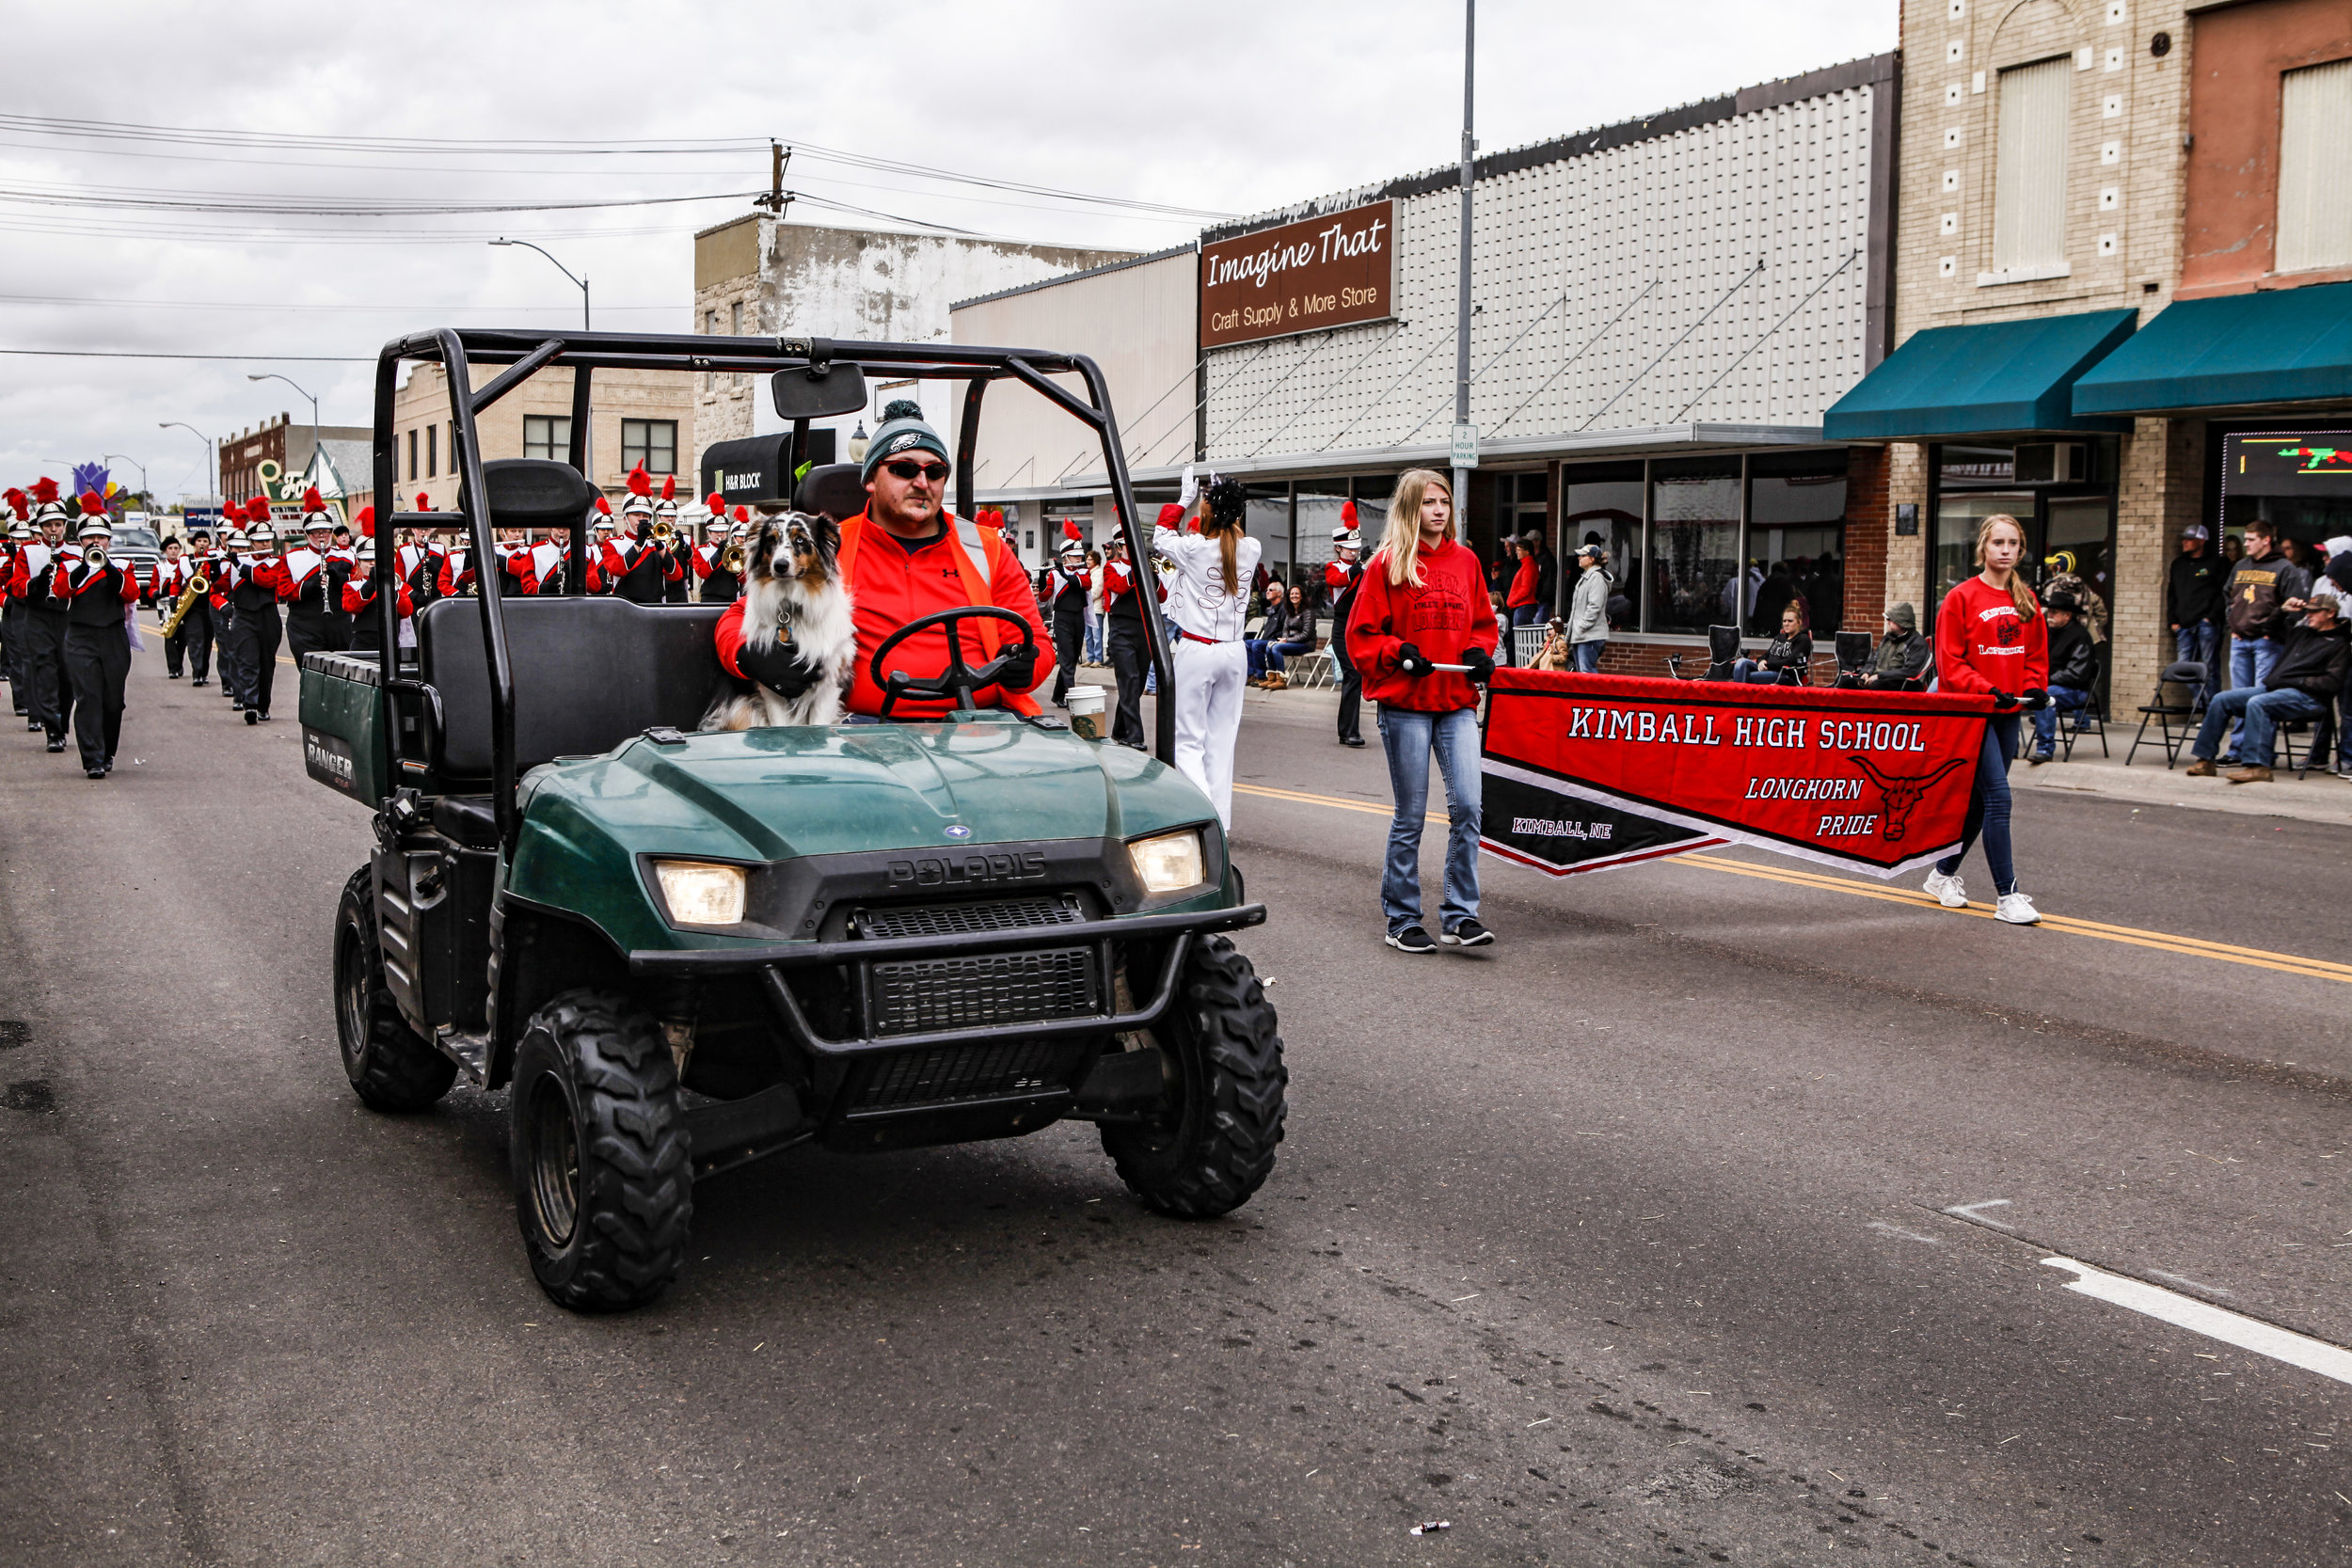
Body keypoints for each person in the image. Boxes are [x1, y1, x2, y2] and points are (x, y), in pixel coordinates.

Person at [712, 398, 1043, 721]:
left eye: (936, 471)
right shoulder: (831, 548)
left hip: (981, 722)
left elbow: (1036, 641)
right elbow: (740, 616)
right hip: (867, 730)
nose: (922, 482)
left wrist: (1027, 665)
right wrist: (748, 657)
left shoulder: (986, 549)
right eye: (904, 469)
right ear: (870, 479)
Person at [1345, 467, 1499, 955]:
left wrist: (1478, 651)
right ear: (1411, 508)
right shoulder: (1387, 564)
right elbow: (1360, 636)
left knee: (1470, 808)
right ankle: (1402, 919)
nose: (1439, 510)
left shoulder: (1466, 561)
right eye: (1430, 502)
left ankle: (1460, 916)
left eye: (1445, 502)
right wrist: (1398, 651)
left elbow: (1482, 624)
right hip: (1406, 704)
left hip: (1455, 703)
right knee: (1411, 815)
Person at [1923, 513, 2046, 925]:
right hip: (1972, 714)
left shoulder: (2026, 599)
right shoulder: (1960, 598)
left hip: (2007, 714)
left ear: (2021, 549)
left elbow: (2034, 657)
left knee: (1980, 803)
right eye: (1999, 543)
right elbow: (1950, 660)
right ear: (1983, 548)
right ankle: (2007, 896)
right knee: (1999, 797)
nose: (2006, 550)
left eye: (2013, 544)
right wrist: (1986, 689)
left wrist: (2034, 689)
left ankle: (1941, 876)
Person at [1153, 475, 1259, 827]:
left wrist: (1183, 501)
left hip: (1198, 650)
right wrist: (1224, 499)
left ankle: (1205, 817)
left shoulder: (1195, 548)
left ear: (1209, 514)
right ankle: (1222, 824)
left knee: (1186, 740)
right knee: (1221, 742)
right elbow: (1231, 536)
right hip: (1234, 653)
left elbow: (1161, 537)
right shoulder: (1253, 548)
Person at [2184, 585, 2347, 784]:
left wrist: (2298, 681)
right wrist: (2282, 610)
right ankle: (2205, 761)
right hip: (2277, 690)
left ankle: (2258, 766)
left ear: (2330, 613)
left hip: (2308, 698)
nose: (2309, 615)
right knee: (2221, 699)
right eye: (2308, 611)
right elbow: (2267, 629)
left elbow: (2331, 682)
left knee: (2259, 703)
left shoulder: (2340, 644)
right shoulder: (2301, 633)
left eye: (2315, 612)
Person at [55, 512, 139, 778]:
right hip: (81, 637)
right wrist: (84, 566)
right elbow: (61, 591)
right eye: (90, 537)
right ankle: (92, 759)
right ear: (80, 541)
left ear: (109, 540)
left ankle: (107, 752)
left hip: (113, 637)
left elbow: (131, 593)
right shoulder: (68, 566)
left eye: (101, 537)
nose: (96, 542)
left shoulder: (122, 565)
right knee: (88, 697)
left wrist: (107, 567)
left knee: (113, 701)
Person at [2222, 519, 2311, 750]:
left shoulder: (2285, 568)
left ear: (2266, 540)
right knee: (2238, 698)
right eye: (2246, 539)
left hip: (2267, 643)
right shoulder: (2241, 565)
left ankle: (2259, 752)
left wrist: (2274, 632)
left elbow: (2296, 608)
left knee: (2262, 700)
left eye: (2251, 539)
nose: (2246, 544)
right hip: (2240, 640)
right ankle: (2237, 750)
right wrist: (2232, 625)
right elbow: (2227, 597)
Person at [17, 483, 73, 750]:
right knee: (44, 669)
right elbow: (14, 584)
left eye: (58, 524)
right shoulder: (27, 551)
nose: (53, 529)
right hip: (38, 614)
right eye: (48, 524)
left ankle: (62, 722)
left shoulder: (75, 552)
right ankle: (53, 730)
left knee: (67, 672)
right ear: (40, 526)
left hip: (66, 616)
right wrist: (36, 582)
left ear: (64, 525)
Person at [221, 521, 284, 724]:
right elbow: (216, 587)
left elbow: (268, 580)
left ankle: (263, 706)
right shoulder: (234, 563)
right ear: (251, 543)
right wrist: (215, 567)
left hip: (268, 616)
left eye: (267, 540)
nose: (265, 544)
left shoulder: (277, 562)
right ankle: (250, 704)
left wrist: (240, 566)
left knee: (267, 662)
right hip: (243, 616)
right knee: (247, 660)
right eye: (259, 541)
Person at [1100, 532, 1158, 748]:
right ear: (1120, 546)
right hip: (1121, 630)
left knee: (1136, 683)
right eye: (1128, 545)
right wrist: (1139, 571)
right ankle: (1135, 735)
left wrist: (1154, 576)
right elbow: (1118, 587)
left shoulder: (1142, 569)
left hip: (1143, 629)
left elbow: (1161, 596)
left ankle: (1119, 730)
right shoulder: (1112, 567)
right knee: (1130, 680)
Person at [278, 490, 349, 658]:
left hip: (339, 624)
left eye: (325, 531)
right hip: (305, 625)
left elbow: (357, 583)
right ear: (307, 534)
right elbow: (284, 590)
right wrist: (310, 584)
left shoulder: (347, 556)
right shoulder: (292, 558)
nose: (322, 536)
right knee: (311, 671)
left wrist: (339, 577)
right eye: (316, 532)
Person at [2027, 591, 2097, 763]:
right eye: (2049, 612)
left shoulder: (2080, 636)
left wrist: (2044, 681)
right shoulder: (2048, 632)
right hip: (2048, 684)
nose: (2049, 616)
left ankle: (2045, 749)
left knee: (2045, 697)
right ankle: (2011, 748)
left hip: (2074, 689)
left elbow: (2076, 673)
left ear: (2067, 615)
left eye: (2054, 613)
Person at [2165, 522, 2225, 708]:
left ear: (2202, 541)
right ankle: (2203, 704)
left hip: (2206, 623)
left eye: (2190, 539)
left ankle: (2213, 709)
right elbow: (2172, 593)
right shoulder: (2178, 564)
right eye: (2184, 539)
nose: (2185, 542)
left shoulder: (2217, 563)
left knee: (2210, 667)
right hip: (2183, 624)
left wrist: (2211, 617)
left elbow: (2223, 593)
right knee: (2183, 667)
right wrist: (2172, 620)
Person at [1324, 518, 1367, 746]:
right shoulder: (1334, 567)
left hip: (1361, 627)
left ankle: (1348, 730)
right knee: (1353, 674)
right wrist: (1359, 569)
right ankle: (1348, 731)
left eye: (1356, 548)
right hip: (1342, 628)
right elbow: (1338, 580)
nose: (1354, 552)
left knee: (1359, 675)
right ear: (1338, 547)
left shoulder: (1361, 568)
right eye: (1349, 548)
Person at [1041, 536, 1091, 705]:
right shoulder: (1055, 575)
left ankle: (1058, 696)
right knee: (1067, 658)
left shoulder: (1083, 572)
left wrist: (1064, 573)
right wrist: (1043, 577)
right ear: (1065, 557)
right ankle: (1072, 698)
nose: (1079, 558)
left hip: (1078, 618)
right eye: (1074, 555)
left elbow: (1084, 584)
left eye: (1080, 555)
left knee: (1072, 658)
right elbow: (1044, 595)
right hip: (1062, 618)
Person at [151, 535, 201, 680]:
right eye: (170, 549)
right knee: (169, 635)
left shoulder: (184, 564)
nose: (173, 551)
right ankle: (172, 668)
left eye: (176, 548)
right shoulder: (159, 566)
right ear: (165, 551)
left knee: (183, 636)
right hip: (165, 605)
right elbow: (153, 585)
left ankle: (178, 663)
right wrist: (155, 593)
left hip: (183, 603)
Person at [1250, 583, 1318, 689]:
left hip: (1305, 644)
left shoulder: (1308, 612)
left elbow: (1307, 634)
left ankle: (1281, 680)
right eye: (1292, 594)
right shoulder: (1290, 611)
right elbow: (1285, 629)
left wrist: (1287, 640)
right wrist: (1285, 639)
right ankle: (1271, 679)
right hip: (1291, 642)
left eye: (1297, 594)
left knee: (1276, 647)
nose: (1294, 596)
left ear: (1301, 596)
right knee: (1270, 646)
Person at [1730, 598, 1811, 684]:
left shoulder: (1803, 639)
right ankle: (1742, 695)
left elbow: (1791, 661)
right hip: (1768, 668)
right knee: (1741, 662)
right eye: (1784, 621)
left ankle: (1740, 696)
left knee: (1745, 676)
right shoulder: (1780, 637)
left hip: (1785, 674)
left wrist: (1768, 665)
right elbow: (1766, 655)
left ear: (1799, 623)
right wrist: (1761, 661)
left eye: (1790, 621)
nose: (1786, 624)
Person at [1862, 602, 1930, 689]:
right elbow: (1873, 660)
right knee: (1847, 682)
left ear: (1901, 623)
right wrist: (1866, 673)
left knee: (1876, 685)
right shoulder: (1887, 639)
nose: (1888, 622)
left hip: (1898, 683)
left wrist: (1880, 676)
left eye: (1890, 619)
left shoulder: (1917, 643)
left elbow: (1910, 671)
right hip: (1879, 679)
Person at [1565, 540, 1610, 673]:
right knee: (1581, 674)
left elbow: (1594, 607)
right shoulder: (1587, 577)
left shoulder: (1596, 578)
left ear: (1591, 559)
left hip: (1589, 636)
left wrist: (1581, 627)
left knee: (1587, 673)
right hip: (1582, 635)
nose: (1579, 558)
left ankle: (1592, 695)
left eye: (1582, 555)